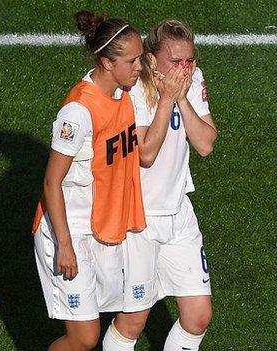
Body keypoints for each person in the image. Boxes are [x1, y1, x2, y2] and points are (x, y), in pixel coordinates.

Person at [31, 10, 146, 351]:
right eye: (133, 61)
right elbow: (52, 182)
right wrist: (64, 244)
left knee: (113, 318)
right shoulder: (77, 113)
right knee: (84, 337)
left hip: (99, 226)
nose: (140, 67)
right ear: (107, 62)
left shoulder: (122, 93)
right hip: (68, 231)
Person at [102, 19, 217, 351]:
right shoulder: (132, 89)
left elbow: (206, 143)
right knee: (134, 320)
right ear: (152, 60)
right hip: (139, 220)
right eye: (176, 61)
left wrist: (182, 97)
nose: (185, 67)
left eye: (189, 60)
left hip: (179, 214)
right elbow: (146, 154)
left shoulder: (192, 80)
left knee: (198, 316)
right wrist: (167, 98)